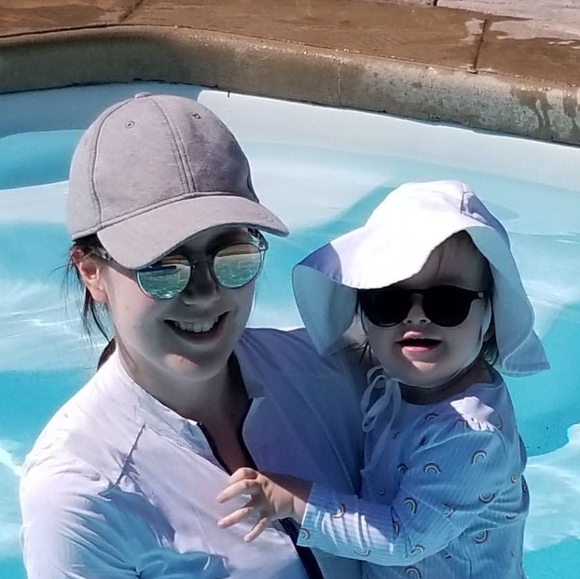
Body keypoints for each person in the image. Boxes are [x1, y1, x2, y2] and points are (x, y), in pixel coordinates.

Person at [19, 93, 367, 578]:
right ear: (91, 272)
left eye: (231, 255)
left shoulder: (328, 370)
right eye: (163, 267)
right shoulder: (82, 494)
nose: (204, 293)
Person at [218, 180, 550, 578]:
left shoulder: (471, 434)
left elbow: (401, 538)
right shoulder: (401, 379)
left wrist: (293, 499)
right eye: (388, 301)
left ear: (491, 318)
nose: (416, 316)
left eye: (447, 303)